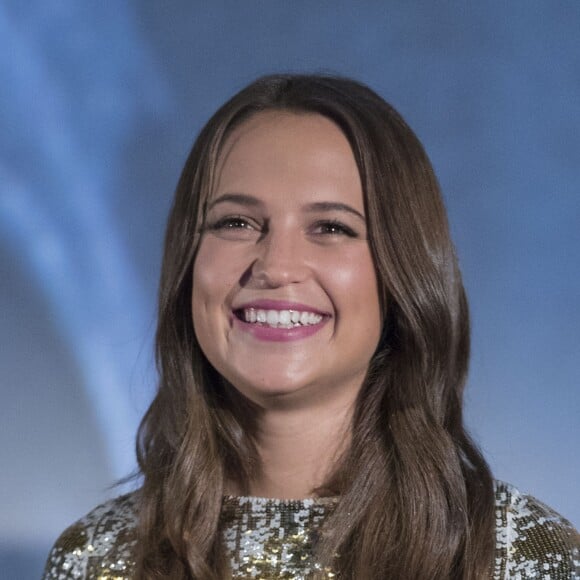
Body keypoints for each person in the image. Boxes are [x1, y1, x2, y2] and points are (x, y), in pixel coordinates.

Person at [43, 74, 579, 579]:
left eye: (331, 226)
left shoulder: (519, 557)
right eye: (236, 222)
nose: (276, 266)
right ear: (187, 262)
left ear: (404, 274)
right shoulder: (96, 557)